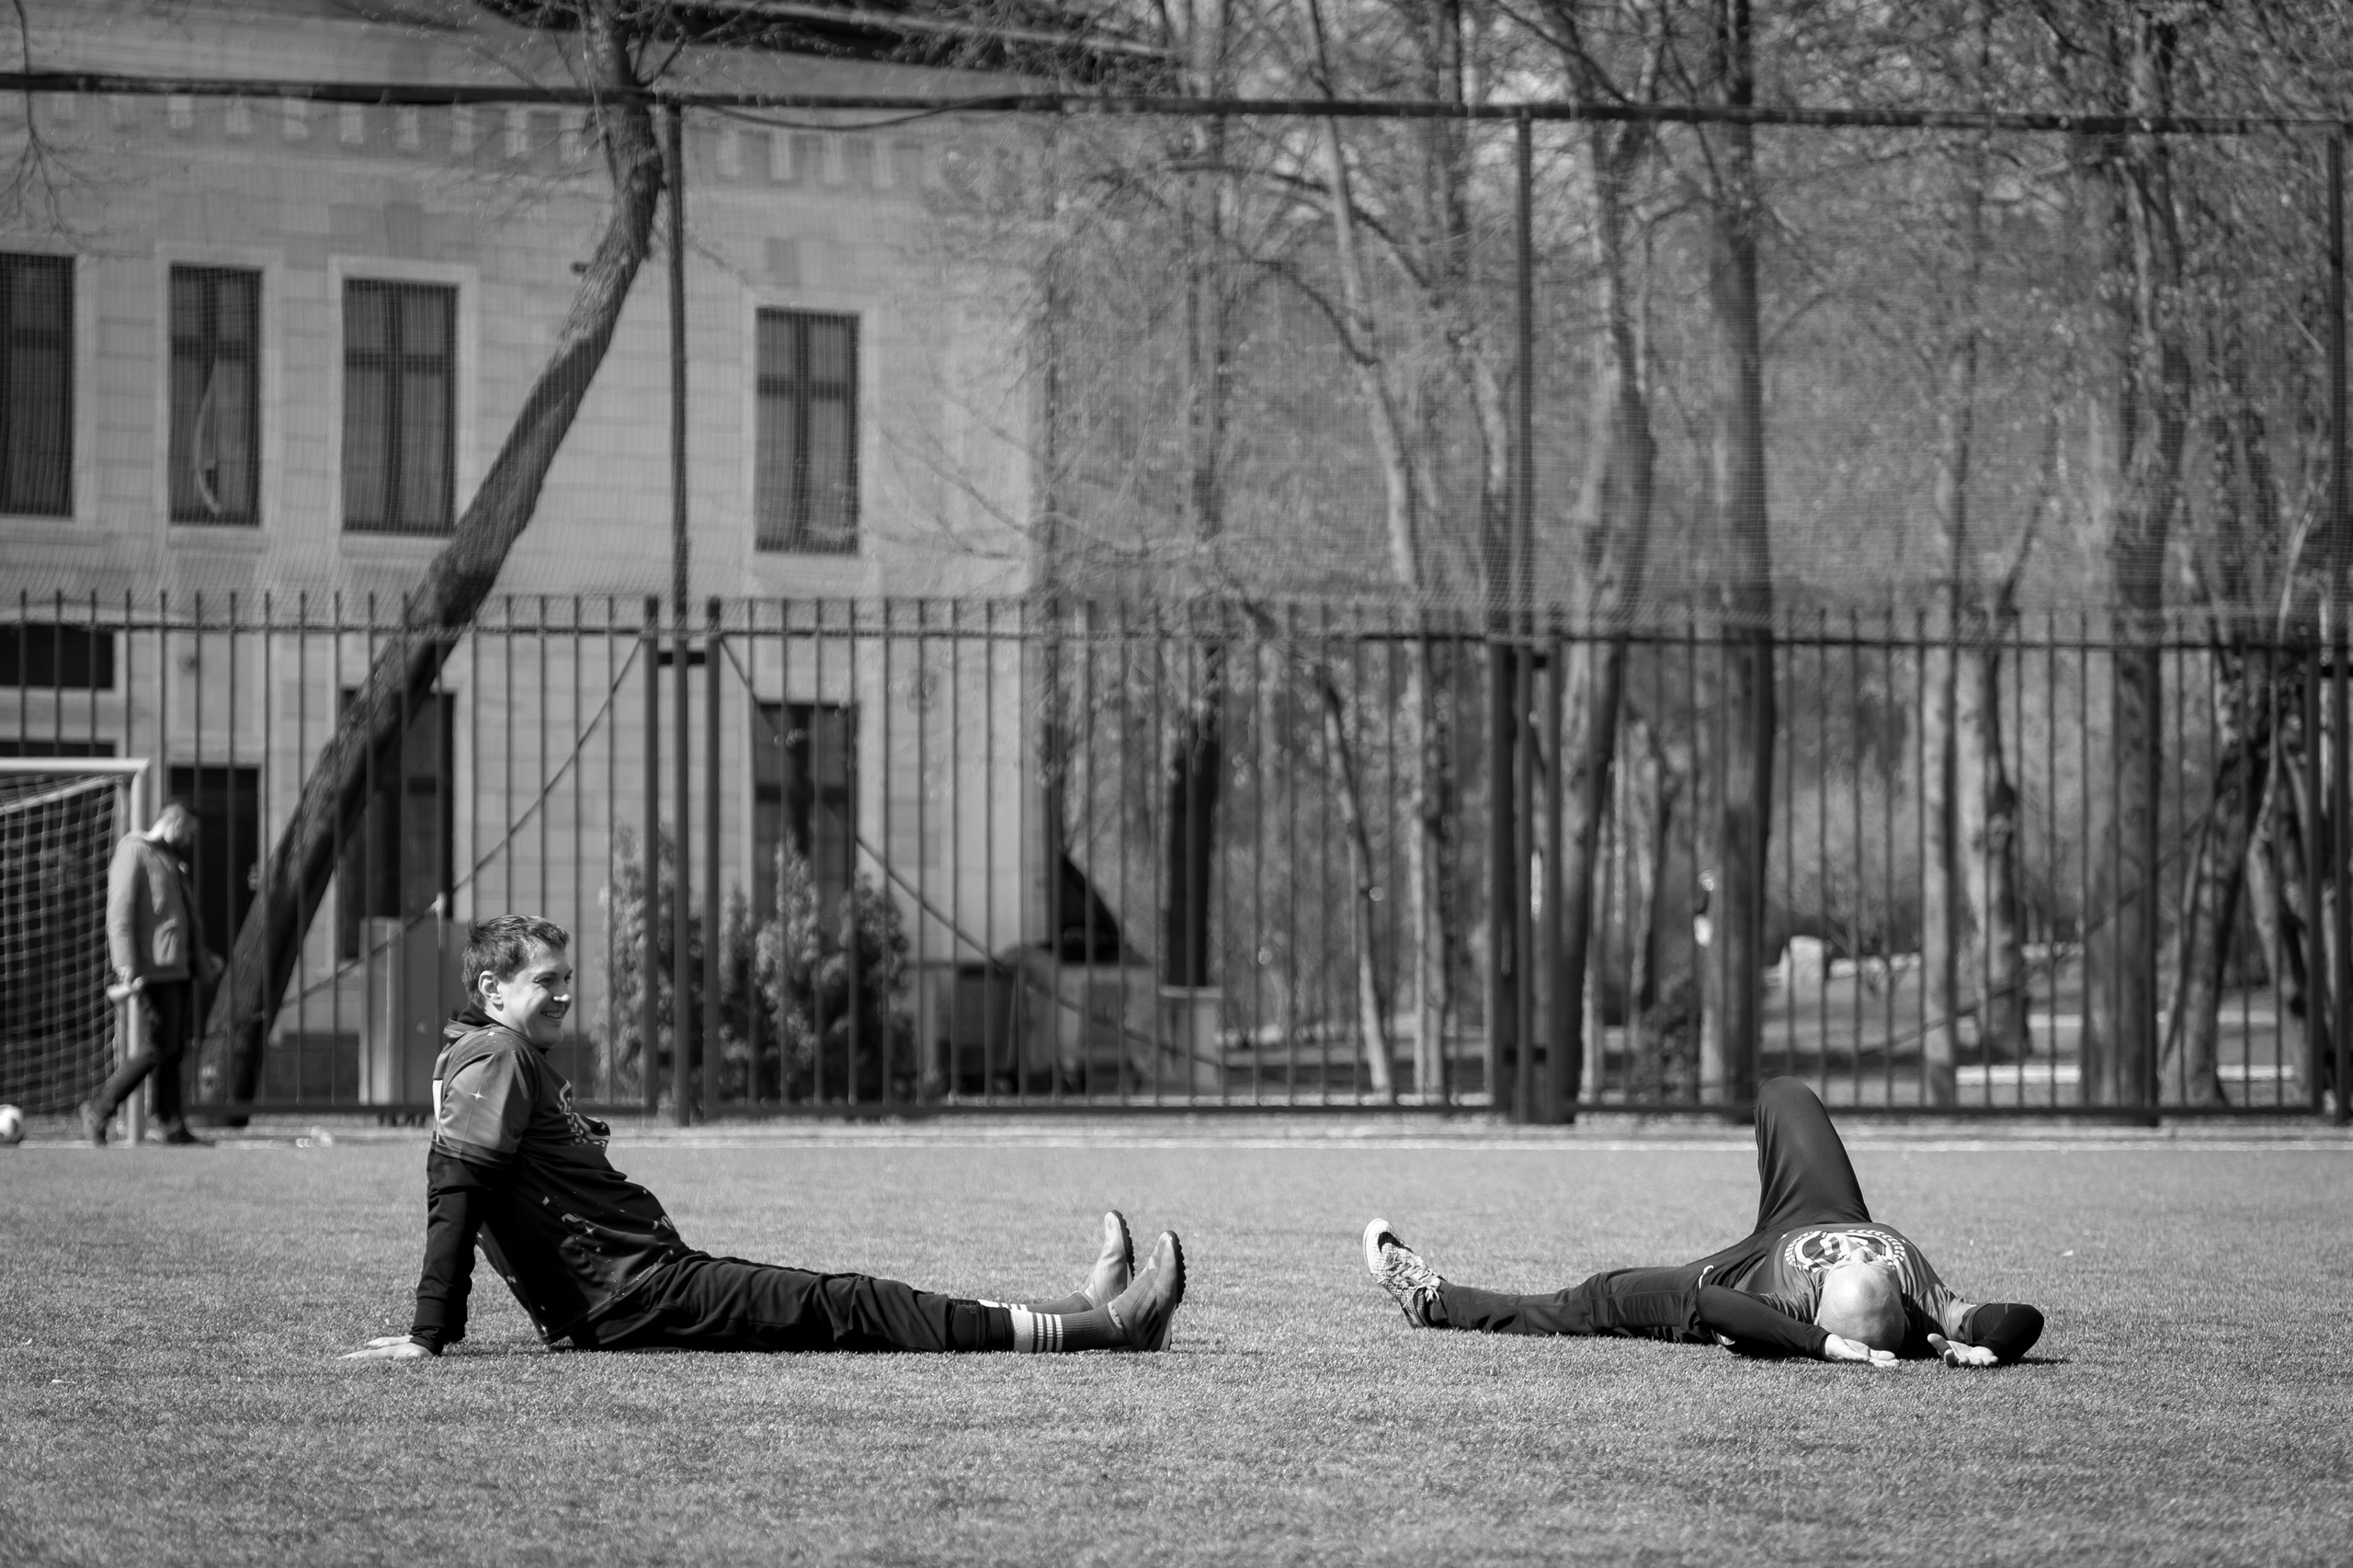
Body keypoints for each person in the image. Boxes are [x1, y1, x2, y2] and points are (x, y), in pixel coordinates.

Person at [344, 915, 1187, 1360]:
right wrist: (430, 1332)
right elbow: (458, 1189)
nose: (564, 996)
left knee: (848, 1302)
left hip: (639, 1287)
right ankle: (1109, 1332)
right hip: (630, 1298)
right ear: (491, 989)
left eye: (568, 979)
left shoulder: (497, 1055)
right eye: (545, 982)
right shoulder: (493, 1057)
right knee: (852, 1304)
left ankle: (1080, 1306)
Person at [1362, 1076, 2045, 1368]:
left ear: (1816, 1312)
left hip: (1738, 1271)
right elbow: (2024, 1318)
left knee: (1597, 1298)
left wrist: (1822, 1348)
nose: (1845, 1263)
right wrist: (1990, 1348)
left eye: (1836, 1277)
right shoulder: (1920, 1291)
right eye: (1856, 1265)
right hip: (1822, 1206)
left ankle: (1435, 1301)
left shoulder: (1787, 1305)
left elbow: (1714, 1304)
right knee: (1784, 1093)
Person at [85, 797, 218, 1146]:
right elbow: (120, 912)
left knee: (173, 1049)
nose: (188, 840)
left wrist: (202, 960)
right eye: (187, 832)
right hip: (152, 969)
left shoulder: (170, 861)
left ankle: (171, 1124)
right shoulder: (135, 851)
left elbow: (182, 920)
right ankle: (100, 1107)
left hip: (177, 969)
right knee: (159, 1046)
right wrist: (125, 964)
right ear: (174, 822)